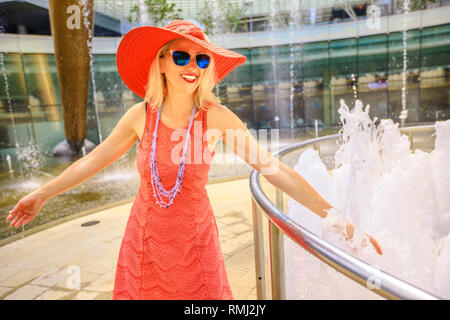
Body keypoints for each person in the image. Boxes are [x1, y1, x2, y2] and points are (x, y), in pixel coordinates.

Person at [5, 20, 382, 300]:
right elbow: (91, 163)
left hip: (195, 246)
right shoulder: (140, 116)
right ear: (163, 62)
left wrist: (335, 217)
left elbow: (275, 170)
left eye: (202, 59)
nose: (192, 65)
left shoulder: (216, 117)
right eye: (182, 55)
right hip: (145, 245)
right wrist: (42, 193)